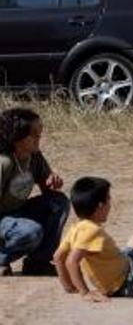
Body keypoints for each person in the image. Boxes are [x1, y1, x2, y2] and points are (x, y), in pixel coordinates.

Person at [0, 107, 70, 276]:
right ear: (17, 137)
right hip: (2, 219)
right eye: (34, 134)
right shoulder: (5, 162)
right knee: (31, 231)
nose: (39, 137)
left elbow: (48, 189)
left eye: (40, 132)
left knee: (58, 202)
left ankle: (39, 261)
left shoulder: (35, 157)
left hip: (17, 213)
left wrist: (53, 180)